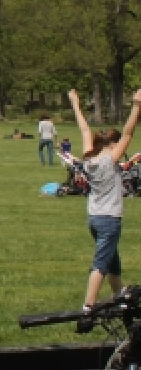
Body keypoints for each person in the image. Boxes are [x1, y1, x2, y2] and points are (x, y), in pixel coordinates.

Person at [69, 88, 141, 317]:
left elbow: (83, 128)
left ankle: (120, 299)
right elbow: (129, 132)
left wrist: (75, 104)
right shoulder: (110, 160)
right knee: (101, 263)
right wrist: (137, 106)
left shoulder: (89, 159)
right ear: (113, 145)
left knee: (112, 261)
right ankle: (88, 306)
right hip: (110, 219)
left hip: (94, 218)